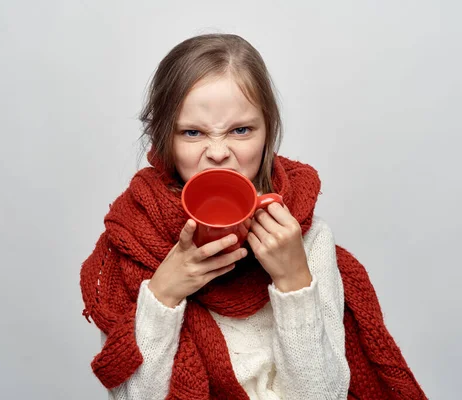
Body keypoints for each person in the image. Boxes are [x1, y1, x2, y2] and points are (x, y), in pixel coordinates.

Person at [80, 34, 427, 400]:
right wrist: (164, 293)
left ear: (267, 133)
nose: (217, 152)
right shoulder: (133, 239)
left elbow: (323, 395)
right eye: (193, 132)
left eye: (240, 130)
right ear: (165, 137)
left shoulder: (306, 238)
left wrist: (293, 280)